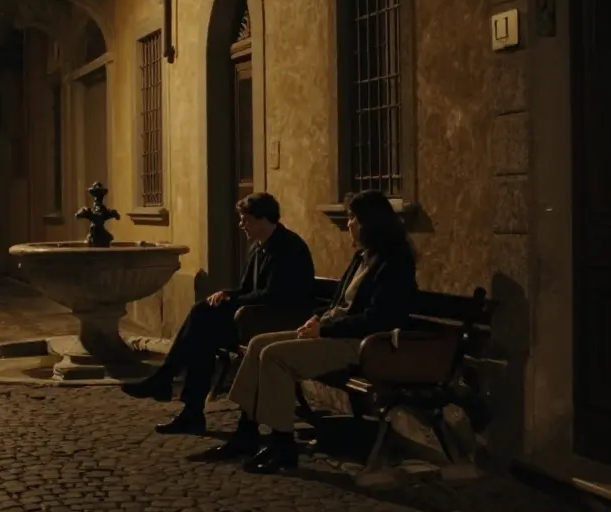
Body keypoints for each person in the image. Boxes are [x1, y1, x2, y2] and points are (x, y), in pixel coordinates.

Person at [201, 189, 418, 473]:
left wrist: (324, 328)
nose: (348, 223)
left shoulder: (393, 262)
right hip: (335, 332)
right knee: (257, 345)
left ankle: (283, 444)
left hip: (362, 343)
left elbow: (379, 318)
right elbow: (338, 302)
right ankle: (247, 431)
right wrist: (316, 320)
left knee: (276, 356)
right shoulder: (363, 257)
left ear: (370, 222)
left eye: (353, 218)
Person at [122, 192, 318, 435]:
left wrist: (233, 299)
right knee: (202, 326)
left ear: (262, 219)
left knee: (202, 323)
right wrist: (228, 293)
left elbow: (276, 294)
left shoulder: (288, 247)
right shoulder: (257, 248)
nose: (241, 224)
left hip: (277, 319)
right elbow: (247, 289)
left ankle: (172, 388)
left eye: (245, 219)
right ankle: (184, 403)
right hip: (255, 316)